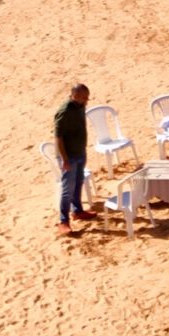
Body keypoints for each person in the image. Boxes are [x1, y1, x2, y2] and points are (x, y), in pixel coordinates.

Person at [54, 83, 96, 236]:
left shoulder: (81, 105)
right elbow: (58, 137)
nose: (87, 100)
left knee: (79, 182)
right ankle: (63, 221)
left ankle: (77, 211)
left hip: (79, 152)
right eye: (84, 97)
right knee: (67, 190)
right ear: (74, 95)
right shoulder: (64, 112)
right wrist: (64, 159)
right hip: (69, 156)